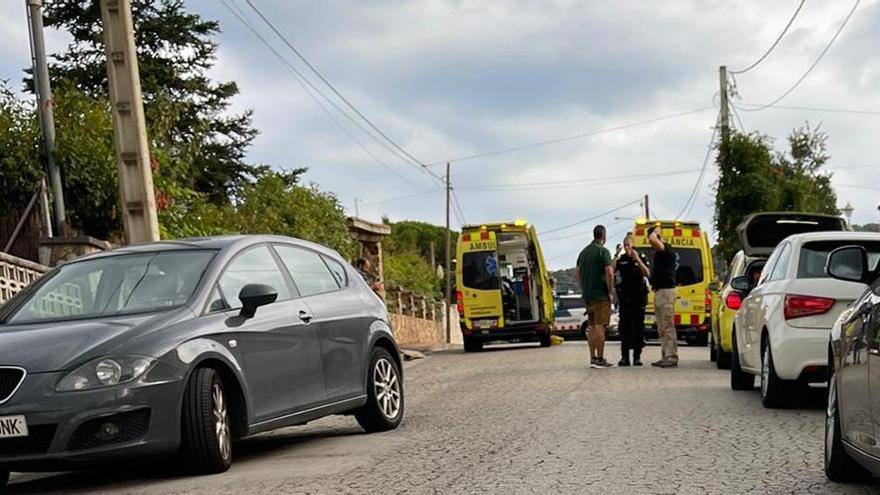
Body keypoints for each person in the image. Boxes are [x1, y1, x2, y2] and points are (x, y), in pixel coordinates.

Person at [576, 225, 615, 369]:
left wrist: (584, 288)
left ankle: (592, 356)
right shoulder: (603, 252)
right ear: (604, 236)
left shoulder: (583, 252)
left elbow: (577, 273)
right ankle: (600, 358)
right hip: (600, 295)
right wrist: (610, 291)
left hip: (588, 295)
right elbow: (609, 273)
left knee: (591, 326)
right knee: (599, 326)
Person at [614, 234, 650, 366]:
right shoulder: (621, 260)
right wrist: (616, 255)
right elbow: (611, 271)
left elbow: (647, 273)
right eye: (625, 246)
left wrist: (637, 259)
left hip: (638, 298)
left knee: (638, 328)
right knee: (625, 328)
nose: (627, 248)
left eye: (629, 245)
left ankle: (637, 356)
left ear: (633, 246)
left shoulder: (641, 257)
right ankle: (624, 357)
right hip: (625, 298)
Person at [647, 226, 678, 368]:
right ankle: (665, 354)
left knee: (667, 325)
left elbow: (653, 239)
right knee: (661, 327)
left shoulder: (666, 249)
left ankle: (671, 356)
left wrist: (656, 232)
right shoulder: (659, 252)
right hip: (659, 291)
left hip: (666, 291)